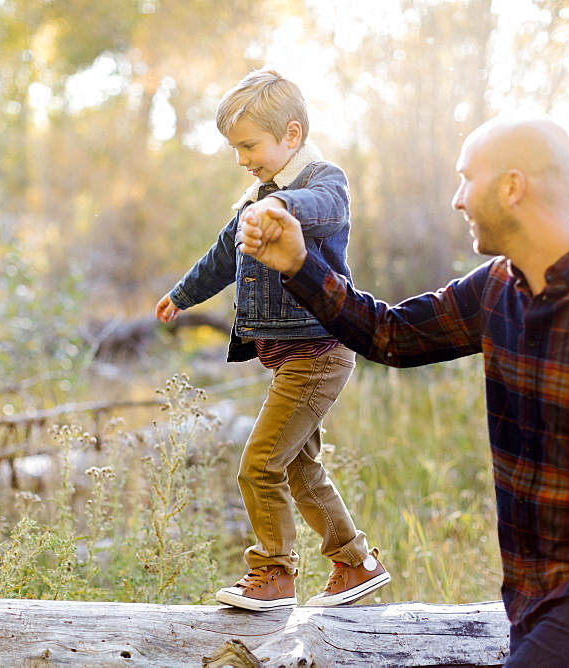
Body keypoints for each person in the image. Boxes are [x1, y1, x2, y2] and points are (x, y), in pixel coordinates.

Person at [237, 114, 569, 665]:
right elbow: (391, 335)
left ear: (513, 186)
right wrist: (298, 262)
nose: (458, 200)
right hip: (529, 592)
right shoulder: (497, 288)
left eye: (467, 179)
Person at [155, 69, 390, 612]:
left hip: (320, 352)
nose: (241, 158)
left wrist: (280, 209)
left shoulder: (322, 182)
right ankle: (356, 564)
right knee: (300, 466)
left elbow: (323, 208)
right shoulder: (252, 198)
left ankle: (274, 574)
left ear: (290, 134)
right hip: (292, 357)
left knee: (258, 463)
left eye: (248, 145)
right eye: (234, 148)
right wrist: (183, 295)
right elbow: (221, 257)